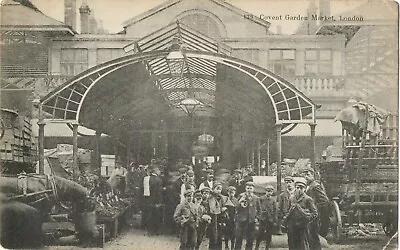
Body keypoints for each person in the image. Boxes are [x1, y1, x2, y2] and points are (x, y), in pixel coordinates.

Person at [283, 178, 318, 250]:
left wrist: (307, 218)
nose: (299, 189)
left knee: (302, 245)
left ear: (304, 189)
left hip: (303, 226)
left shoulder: (308, 199)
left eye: (301, 188)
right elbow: (288, 211)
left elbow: (315, 213)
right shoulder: (292, 198)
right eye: (297, 188)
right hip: (292, 226)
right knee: (292, 244)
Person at [302, 167, 330, 249]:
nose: (306, 177)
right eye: (305, 175)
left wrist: (314, 210)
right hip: (310, 216)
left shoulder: (315, 186)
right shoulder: (309, 186)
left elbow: (324, 201)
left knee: (313, 237)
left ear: (313, 175)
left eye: (308, 175)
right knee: (311, 238)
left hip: (313, 217)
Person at [234, 182, 261, 250]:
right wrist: (240, 202)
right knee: (239, 237)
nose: (249, 190)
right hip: (241, 220)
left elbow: (259, 209)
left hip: (251, 221)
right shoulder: (241, 196)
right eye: (247, 188)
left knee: (250, 238)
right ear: (245, 188)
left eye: (250, 188)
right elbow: (236, 207)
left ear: (253, 189)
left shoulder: (256, 198)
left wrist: (257, 218)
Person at [140, 165, 164, 235]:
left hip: (147, 199)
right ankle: (156, 231)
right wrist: (159, 201)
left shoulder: (145, 178)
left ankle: (148, 230)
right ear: (155, 171)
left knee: (148, 215)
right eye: (159, 170)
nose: (160, 172)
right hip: (155, 200)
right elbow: (159, 192)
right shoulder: (158, 179)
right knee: (156, 215)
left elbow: (142, 190)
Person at [255, 185, 277, 250]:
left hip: (270, 219)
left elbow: (275, 210)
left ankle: (267, 247)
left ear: (272, 192)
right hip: (262, 219)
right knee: (260, 233)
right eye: (268, 191)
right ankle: (257, 246)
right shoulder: (261, 198)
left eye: (270, 191)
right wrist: (258, 217)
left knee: (269, 234)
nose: (269, 193)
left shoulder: (273, 200)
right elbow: (258, 208)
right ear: (265, 191)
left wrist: (274, 220)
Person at [208, 182, 228, 250]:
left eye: (220, 189)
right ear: (213, 189)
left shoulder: (222, 198)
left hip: (220, 219)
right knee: (213, 236)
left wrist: (225, 208)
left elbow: (229, 205)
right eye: (217, 188)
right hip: (212, 218)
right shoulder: (210, 198)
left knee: (219, 236)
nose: (219, 190)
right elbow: (211, 208)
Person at [224, 186, 238, 250]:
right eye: (230, 192)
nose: (231, 194)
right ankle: (226, 246)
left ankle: (232, 246)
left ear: (235, 193)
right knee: (226, 233)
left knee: (233, 234)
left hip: (233, 219)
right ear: (228, 193)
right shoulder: (225, 199)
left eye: (233, 192)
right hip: (226, 219)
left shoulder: (236, 200)